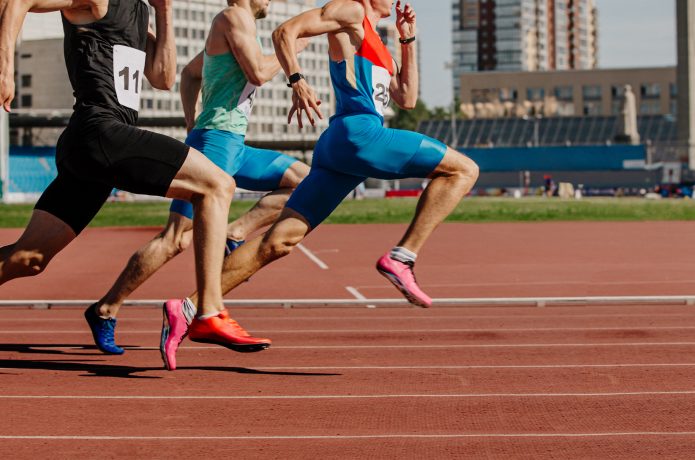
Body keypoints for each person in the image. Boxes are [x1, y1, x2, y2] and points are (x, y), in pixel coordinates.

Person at [161, 0, 480, 369]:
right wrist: (297, 79)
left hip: (341, 150)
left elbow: (406, 97)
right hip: (359, 134)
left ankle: (188, 307)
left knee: (277, 243)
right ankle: (401, 257)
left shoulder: (379, 40)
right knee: (463, 170)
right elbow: (285, 33)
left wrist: (407, 42)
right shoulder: (350, 12)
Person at [0, 0, 253, 354]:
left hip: (97, 146)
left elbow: (162, 78)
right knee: (216, 185)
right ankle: (209, 312)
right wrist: (5, 67)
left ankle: (206, 312)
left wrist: (164, 11)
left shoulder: (140, 12)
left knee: (29, 258)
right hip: (98, 131)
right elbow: (18, 1)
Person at [83, 0, 310, 369]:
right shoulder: (233, 18)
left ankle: (235, 232)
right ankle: (105, 309)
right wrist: (292, 50)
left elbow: (190, 74)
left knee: (304, 180)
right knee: (176, 239)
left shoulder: (238, 27)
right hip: (216, 143)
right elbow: (257, 73)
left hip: (232, 143)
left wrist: (192, 124)